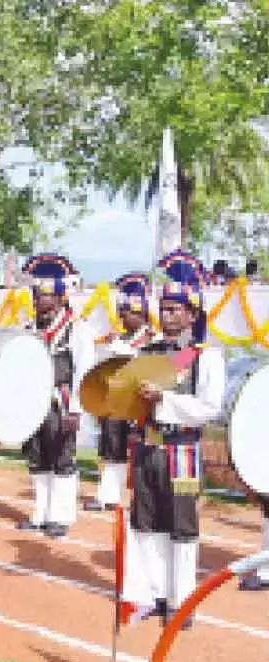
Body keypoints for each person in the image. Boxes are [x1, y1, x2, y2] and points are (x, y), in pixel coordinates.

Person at [122, 250, 225, 626]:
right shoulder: (145, 350)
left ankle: (181, 601)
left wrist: (164, 399)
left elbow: (210, 407)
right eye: (164, 308)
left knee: (181, 527)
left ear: (192, 314)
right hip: (148, 446)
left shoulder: (204, 356)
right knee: (147, 522)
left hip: (181, 450)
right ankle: (152, 594)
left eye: (176, 309)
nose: (167, 315)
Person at [18, 254, 95, 539]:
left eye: (47, 296)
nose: (39, 301)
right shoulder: (30, 329)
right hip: (34, 403)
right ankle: (40, 514)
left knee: (62, 458)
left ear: (61, 298)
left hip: (61, 402)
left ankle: (60, 517)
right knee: (37, 458)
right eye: (36, 295)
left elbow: (84, 371)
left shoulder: (77, 329)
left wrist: (76, 409)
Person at [86, 272, 154, 512]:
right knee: (111, 448)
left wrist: (116, 346)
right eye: (122, 312)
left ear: (141, 314)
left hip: (140, 403)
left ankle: (141, 499)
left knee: (141, 450)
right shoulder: (117, 338)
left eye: (128, 313)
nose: (123, 317)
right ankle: (108, 497)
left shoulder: (150, 339)